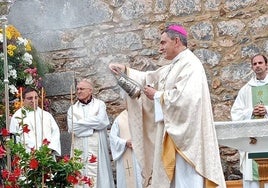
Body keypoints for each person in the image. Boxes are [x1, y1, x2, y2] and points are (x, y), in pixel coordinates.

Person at [109, 24, 226, 188]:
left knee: (187, 180)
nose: (160, 48)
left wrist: (157, 95)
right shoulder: (175, 65)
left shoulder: (191, 64)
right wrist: (126, 71)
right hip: (175, 138)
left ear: (176, 41)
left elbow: (187, 99)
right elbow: (150, 77)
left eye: (163, 43)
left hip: (187, 141)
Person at [67, 79, 115, 188]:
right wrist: (92, 128)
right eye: (77, 89)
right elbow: (72, 128)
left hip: (98, 148)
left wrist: (81, 123)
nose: (78, 91)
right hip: (80, 149)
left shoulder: (100, 104)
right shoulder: (72, 109)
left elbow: (102, 122)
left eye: (82, 89)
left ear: (90, 91)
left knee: (100, 176)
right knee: (80, 173)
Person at [231, 54, 268, 188]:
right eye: (254, 64)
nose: (257, 66)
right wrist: (251, 112)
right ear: (252, 67)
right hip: (253, 140)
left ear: (266, 65)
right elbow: (235, 113)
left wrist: (266, 110)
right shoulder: (246, 90)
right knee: (253, 179)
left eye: (260, 63)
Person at [9, 87, 61, 155]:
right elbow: (14, 137)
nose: (33, 101)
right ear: (23, 100)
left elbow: (55, 133)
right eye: (30, 98)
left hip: (47, 156)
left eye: (36, 98)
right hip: (26, 157)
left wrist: (50, 149)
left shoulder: (47, 116)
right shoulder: (17, 117)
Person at [110, 109, 142, 188]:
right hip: (127, 154)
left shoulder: (146, 114)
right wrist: (124, 143)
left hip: (142, 155)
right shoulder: (120, 119)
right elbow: (112, 138)